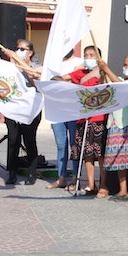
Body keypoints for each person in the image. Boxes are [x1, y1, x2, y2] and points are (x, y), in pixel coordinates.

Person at [55, 45, 118, 197]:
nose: (89, 58)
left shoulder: (103, 71)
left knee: (100, 154)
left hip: (99, 118)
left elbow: (106, 85)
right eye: (86, 55)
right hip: (83, 118)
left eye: (92, 55)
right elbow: (63, 78)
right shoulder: (80, 73)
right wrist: (52, 80)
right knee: (87, 154)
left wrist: (103, 70)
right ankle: (91, 185)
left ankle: (104, 185)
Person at [103, 54, 128, 201]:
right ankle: (122, 189)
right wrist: (102, 71)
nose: (126, 68)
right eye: (125, 65)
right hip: (116, 122)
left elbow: (123, 88)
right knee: (119, 159)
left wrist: (106, 69)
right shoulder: (118, 80)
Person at [3, 39, 42, 186]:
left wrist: (20, 62)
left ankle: (32, 172)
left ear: (30, 52)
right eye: (17, 48)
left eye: (22, 49)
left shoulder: (37, 67)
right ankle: (12, 172)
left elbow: (36, 80)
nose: (19, 50)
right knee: (13, 140)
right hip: (13, 108)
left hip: (31, 109)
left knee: (29, 140)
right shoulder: (11, 67)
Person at [47, 49, 83, 190]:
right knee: (61, 144)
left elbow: (71, 77)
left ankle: (75, 178)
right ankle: (61, 177)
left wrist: (52, 78)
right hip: (56, 109)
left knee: (74, 145)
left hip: (73, 109)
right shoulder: (52, 63)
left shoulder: (79, 62)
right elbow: (36, 71)